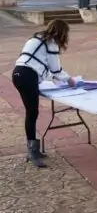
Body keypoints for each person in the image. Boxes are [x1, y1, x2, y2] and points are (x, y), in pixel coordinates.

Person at [13, 19, 77, 168]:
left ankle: (33, 148)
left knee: (32, 112)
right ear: (62, 33)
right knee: (32, 112)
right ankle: (32, 151)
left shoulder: (36, 38)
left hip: (18, 72)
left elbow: (38, 62)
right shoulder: (51, 43)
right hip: (28, 76)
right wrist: (69, 79)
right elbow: (55, 69)